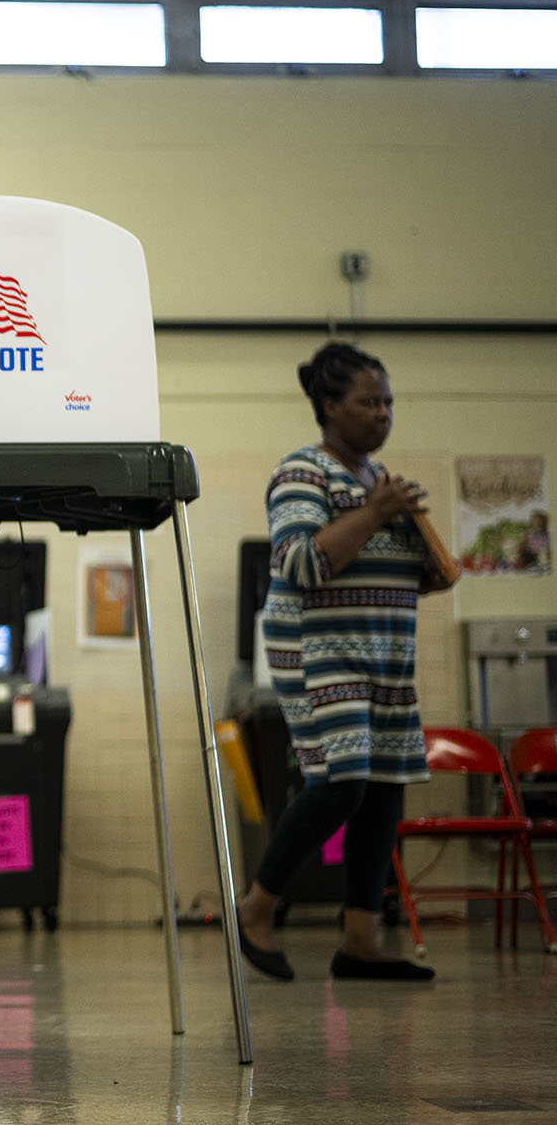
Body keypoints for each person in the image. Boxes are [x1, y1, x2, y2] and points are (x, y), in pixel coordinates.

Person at [236, 341, 456, 983]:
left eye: (388, 401)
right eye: (368, 401)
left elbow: (408, 576)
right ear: (329, 406)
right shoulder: (302, 473)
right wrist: (377, 512)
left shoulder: (375, 482)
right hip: (318, 648)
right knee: (341, 783)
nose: (383, 414)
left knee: (384, 787)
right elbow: (300, 563)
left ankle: (359, 938)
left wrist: (419, 544)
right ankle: (256, 907)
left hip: (385, 647)